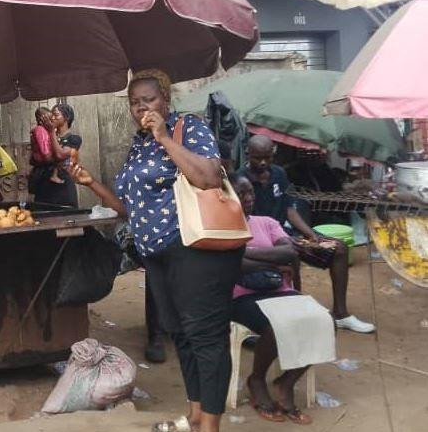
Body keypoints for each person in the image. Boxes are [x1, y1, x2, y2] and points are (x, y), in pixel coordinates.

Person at [68, 69, 244, 432]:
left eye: (148, 99)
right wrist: (93, 183)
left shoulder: (188, 128)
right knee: (179, 333)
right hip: (157, 253)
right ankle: (196, 416)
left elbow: (209, 177)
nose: (141, 107)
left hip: (196, 248)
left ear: (165, 99)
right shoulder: (139, 143)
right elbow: (132, 209)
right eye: (135, 102)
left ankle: (210, 426)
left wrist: (164, 136)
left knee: (206, 335)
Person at [241, 135, 375, 334]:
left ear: (273, 154)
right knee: (290, 256)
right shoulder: (240, 181)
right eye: (257, 157)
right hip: (259, 241)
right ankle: (298, 312)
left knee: (339, 248)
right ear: (247, 154)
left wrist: (312, 234)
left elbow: (289, 209)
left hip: (284, 235)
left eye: (267, 157)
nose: (263, 162)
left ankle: (341, 314)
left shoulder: (279, 174)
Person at [230, 172, 332, 425]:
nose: (248, 198)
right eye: (240, 193)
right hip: (243, 297)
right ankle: (256, 379)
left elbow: (289, 252)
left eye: (250, 192)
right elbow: (235, 264)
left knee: (326, 321)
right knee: (277, 323)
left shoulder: (266, 222)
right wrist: (270, 260)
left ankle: (286, 382)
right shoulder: (222, 230)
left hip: (280, 291)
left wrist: (249, 251)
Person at [30, 103, 82, 207]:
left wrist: (51, 132)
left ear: (66, 118)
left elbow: (59, 155)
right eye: (51, 115)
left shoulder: (74, 139)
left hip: (63, 190)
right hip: (43, 189)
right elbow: (34, 159)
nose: (52, 118)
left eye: (56, 115)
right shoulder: (45, 135)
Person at [29, 107, 64, 185]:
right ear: (42, 120)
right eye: (49, 119)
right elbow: (46, 154)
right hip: (45, 167)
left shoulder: (46, 130)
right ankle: (54, 176)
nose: (51, 121)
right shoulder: (40, 130)